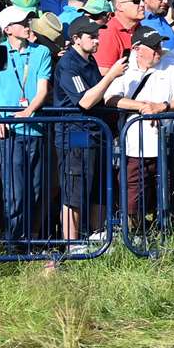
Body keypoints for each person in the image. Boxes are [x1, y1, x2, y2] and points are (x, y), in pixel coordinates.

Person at [107, 28, 174, 227]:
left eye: (159, 44)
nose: (158, 50)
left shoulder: (171, 63)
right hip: (136, 148)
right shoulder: (124, 68)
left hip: (170, 146)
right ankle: (136, 240)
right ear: (137, 49)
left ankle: (168, 239)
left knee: (169, 196)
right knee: (133, 199)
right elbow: (110, 99)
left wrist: (163, 106)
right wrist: (143, 107)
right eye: (153, 46)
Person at [51, 16, 125, 245]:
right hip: (74, 134)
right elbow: (85, 100)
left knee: (98, 186)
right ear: (75, 39)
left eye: (98, 36)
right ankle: (71, 243)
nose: (97, 41)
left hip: (94, 132)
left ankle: (97, 236)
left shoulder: (89, 61)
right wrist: (111, 75)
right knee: (74, 190)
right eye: (91, 37)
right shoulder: (68, 65)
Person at [0, 5, 52, 245]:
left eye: (28, 21)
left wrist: (28, 111)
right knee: (14, 191)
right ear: (7, 29)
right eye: (22, 22)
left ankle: (25, 240)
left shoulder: (41, 51)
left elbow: (42, 89)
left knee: (34, 190)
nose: (27, 25)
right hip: (9, 132)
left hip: (35, 129)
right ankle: (14, 243)